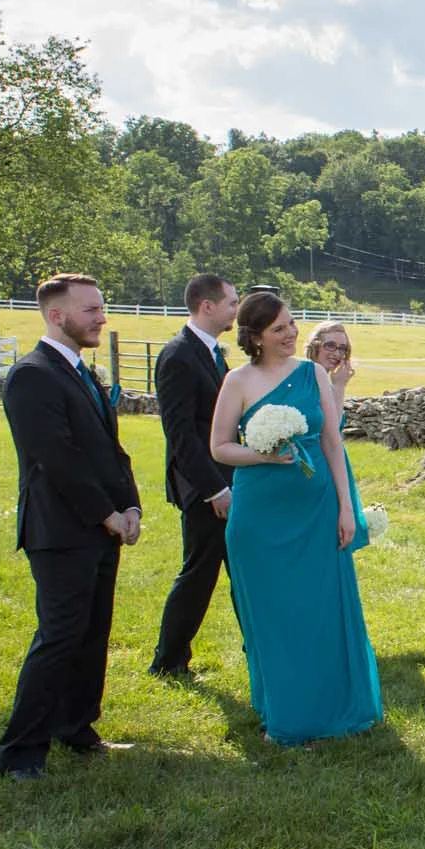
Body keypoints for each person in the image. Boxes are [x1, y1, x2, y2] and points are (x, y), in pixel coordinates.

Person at [207, 291, 381, 746]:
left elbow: (331, 442)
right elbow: (220, 447)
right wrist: (262, 454)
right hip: (259, 515)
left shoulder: (312, 374)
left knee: (321, 609)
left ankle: (334, 710)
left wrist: (346, 507)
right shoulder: (238, 381)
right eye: (279, 328)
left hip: (316, 507)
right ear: (255, 337)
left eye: (291, 324)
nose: (291, 334)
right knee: (274, 615)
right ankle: (284, 714)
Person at [0, 274, 141, 780]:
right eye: (91, 310)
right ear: (57, 316)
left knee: (92, 633)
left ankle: (76, 727)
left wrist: (131, 506)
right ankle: (20, 751)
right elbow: (57, 458)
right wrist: (106, 514)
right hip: (59, 531)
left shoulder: (82, 372)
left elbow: (109, 451)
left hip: (102, 528)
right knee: (59, 637)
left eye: (101, 308)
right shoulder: (32, 375)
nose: (102, 317)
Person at [149, 274, 239, 678]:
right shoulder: (179, 356)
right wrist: (213, 489)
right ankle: (168, 660)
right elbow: (181, 434)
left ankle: (261, 648)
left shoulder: (213, 353)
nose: (236, 310)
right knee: (199, 573)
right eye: (231, 303)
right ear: (207, 306)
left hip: (229, 480)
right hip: (205, 488)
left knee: (242, 569)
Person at [306, 320, 356, 406]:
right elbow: (334, 415)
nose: (337, 354)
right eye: (330, 346)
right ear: (315, 346)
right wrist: (339, 386)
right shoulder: (304, 380)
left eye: (342, 348)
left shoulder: (327, 383)